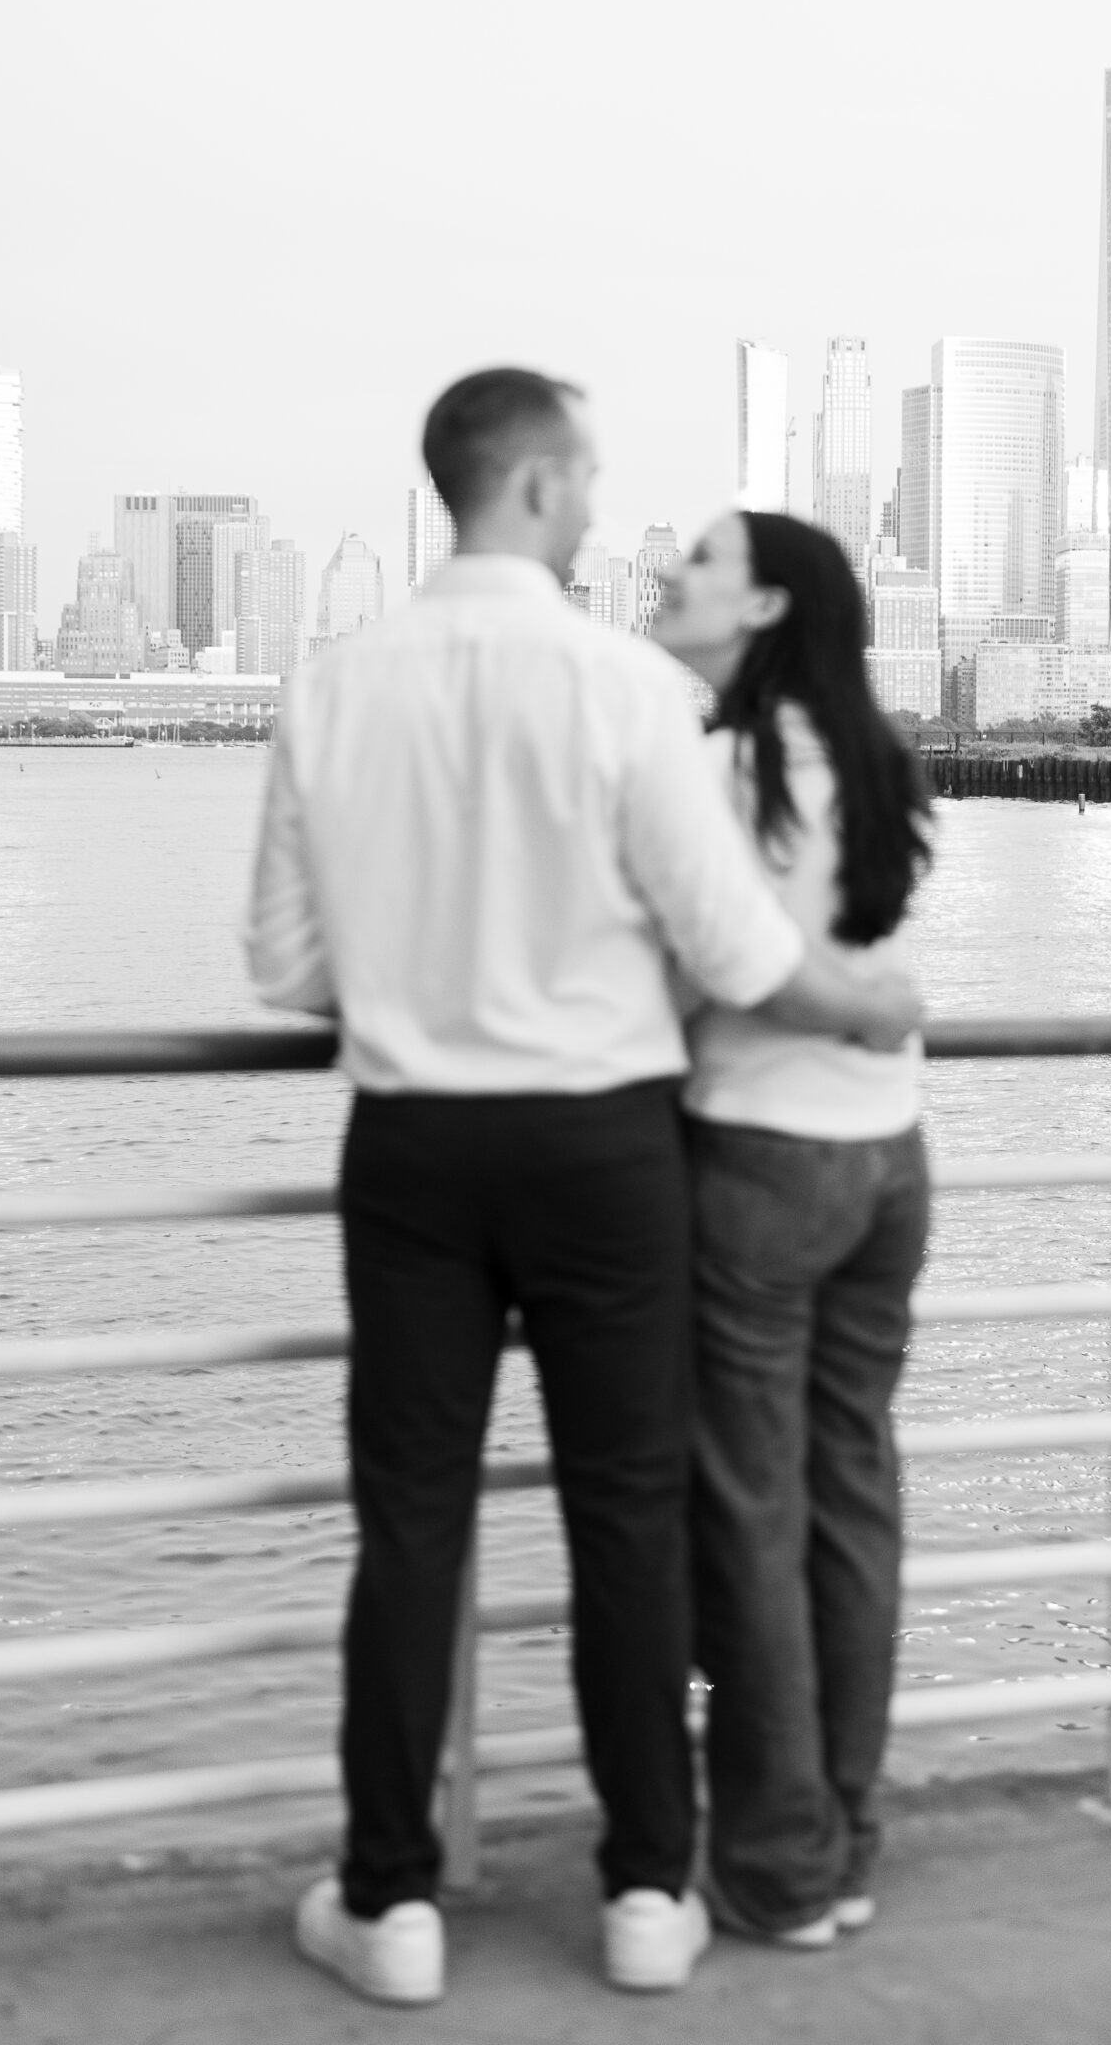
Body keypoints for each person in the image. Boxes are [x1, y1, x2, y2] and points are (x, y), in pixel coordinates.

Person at [244, 371, 919, 2008]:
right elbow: (735, 945)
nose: (605, 510)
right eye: (593, 479)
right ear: (536, 489)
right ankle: (641, 1890)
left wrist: (430, 973)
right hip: (610, 1147)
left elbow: (280, 967)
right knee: (631, 1515)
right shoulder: (630, 695)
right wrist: (869, 1003)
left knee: (411, 1526)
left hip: (413, 1145)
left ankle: (393, 1904)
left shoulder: (333, 686)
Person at [650, 508, 932, 1948]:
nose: (668, 577)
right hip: (887, 1159)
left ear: (761, 607)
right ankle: (849, 1838)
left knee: (752, 1516)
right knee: (851, 1500)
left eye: (696, 562)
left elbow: (717, 974)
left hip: (759, 1159)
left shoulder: (714, 768)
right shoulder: (873, 756)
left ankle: (773, 1868)